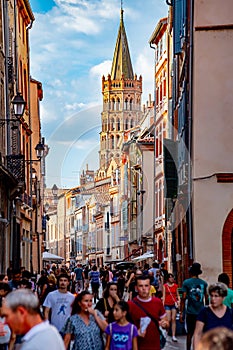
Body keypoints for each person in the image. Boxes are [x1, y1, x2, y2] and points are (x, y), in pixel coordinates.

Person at [128, 275, 169, 350]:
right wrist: (135, 332)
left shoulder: (157, 302)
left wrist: (165, 324)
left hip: (155, 346)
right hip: (137, 346)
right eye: (140, 286)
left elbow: (166, 322)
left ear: (150, 287)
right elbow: (122, 328)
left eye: (146, 286)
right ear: (136, 288)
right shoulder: (130, 305)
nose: (144, 289)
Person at [193, 282, 233, 349]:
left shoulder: (230, 312)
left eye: (216, 296)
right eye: (211, 296)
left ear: (223, 298)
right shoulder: (204, 312)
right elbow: (197, 334)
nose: (213, 299)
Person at [180, 262, 208, 350]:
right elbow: (206, 299)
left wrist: (181, 312)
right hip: (201, 311)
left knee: (189, 333)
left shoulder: (186, 283)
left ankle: (188, 349)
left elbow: (183, 298)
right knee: (200, 333)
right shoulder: (204, 283)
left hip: (190, 312)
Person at [163, 273, 180, 342]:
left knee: (173, 319)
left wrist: (179, 300)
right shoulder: (165, 286)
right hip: (167, 303)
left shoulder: (176, 286)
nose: (172, 279)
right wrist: (162, 304)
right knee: (168, 319)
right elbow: (164, 296)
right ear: (168, 278)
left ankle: (173, 335)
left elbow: (177, 295)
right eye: (170, 277)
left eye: (172, 277)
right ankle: (166, 333)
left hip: (174, 304)